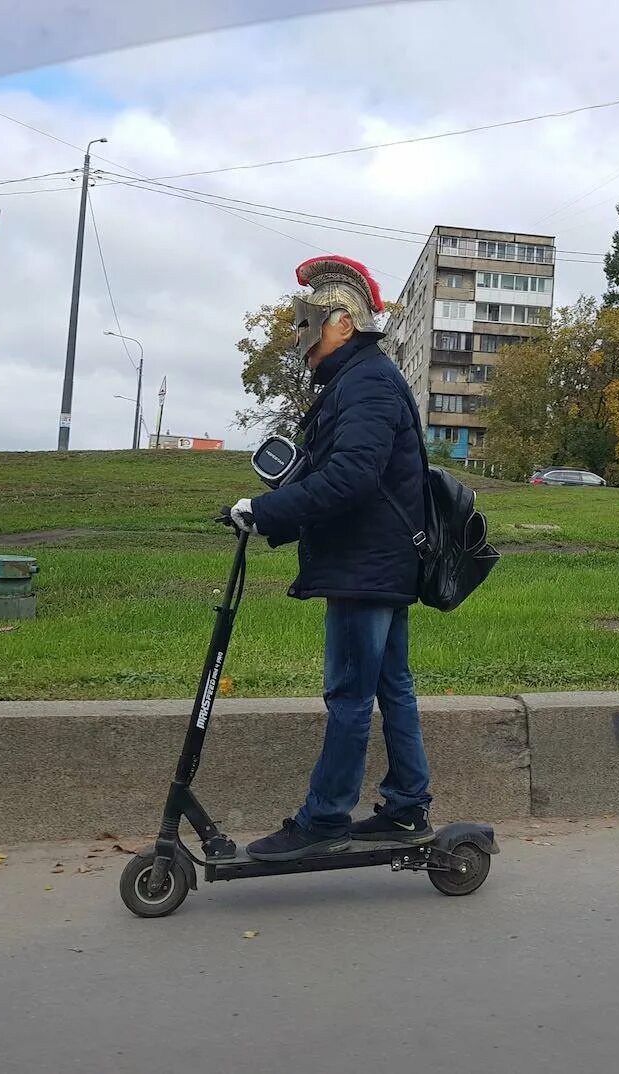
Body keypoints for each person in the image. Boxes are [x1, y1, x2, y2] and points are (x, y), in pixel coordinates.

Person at [229, 254, 432, 862]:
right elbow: (334, 472)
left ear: (342, 321)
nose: (299, 335)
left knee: (349, 692)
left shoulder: (365, 380)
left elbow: (353, 477)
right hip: (379, 562)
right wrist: (281, 503)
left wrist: (267, 512)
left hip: (366, 564)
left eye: (307, 320)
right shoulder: (361, 378)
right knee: (392, 685)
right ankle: (406, 806)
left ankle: (325, 817)